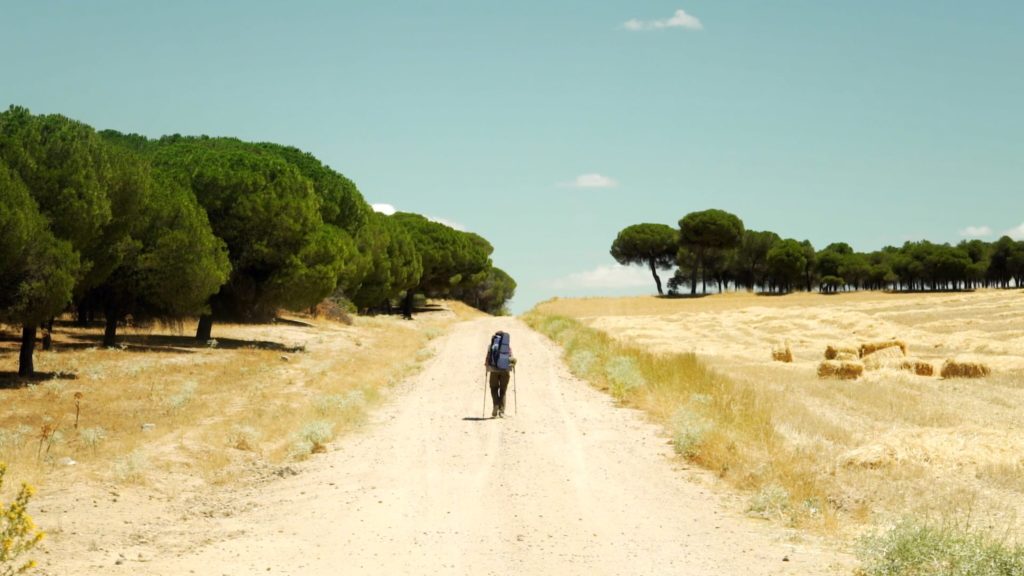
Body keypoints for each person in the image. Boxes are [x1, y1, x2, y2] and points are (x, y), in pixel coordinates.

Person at [485, 343, 516, 418]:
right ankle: (502, 412)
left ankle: (495, 406)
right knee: (503, 390)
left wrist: (487, 368)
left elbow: (487, 360)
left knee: (494, 389)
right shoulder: (507, 346)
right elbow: (512, 359)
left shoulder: (491, 345)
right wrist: (513, 364)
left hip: (494, 371)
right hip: (505, 371)